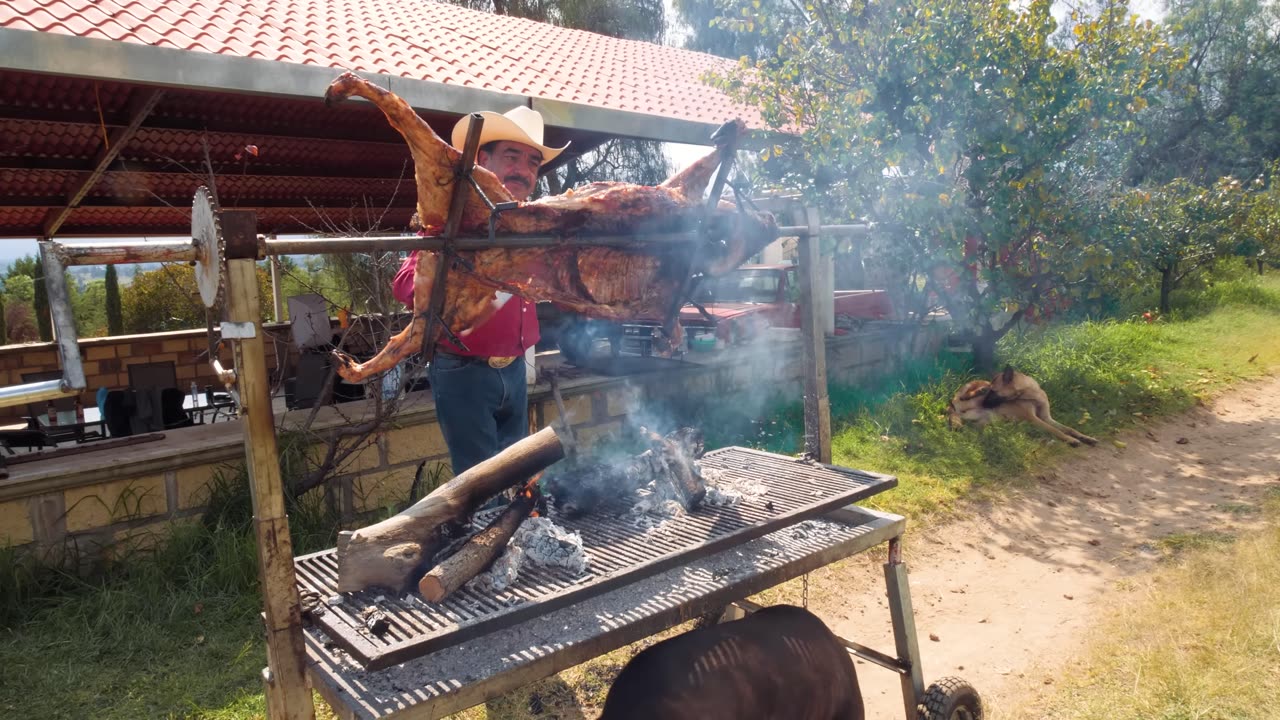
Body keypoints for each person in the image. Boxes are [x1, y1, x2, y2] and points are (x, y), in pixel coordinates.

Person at [391, 106, 569, 477]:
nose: (523, 169)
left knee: (516, 475)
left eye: (533, 162)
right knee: (480, 483)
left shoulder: (533, 224)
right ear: (482, 160)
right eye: (512, 156)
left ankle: (520, 533)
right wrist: (466, 276)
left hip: (516, 369)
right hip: (463, 371)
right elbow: (406, 284)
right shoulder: (456, 220)